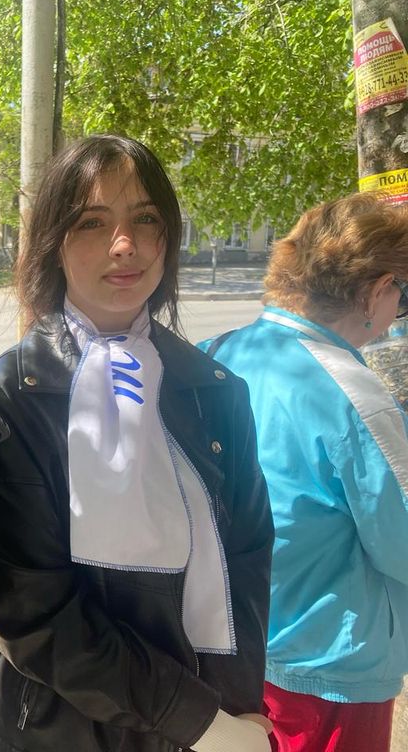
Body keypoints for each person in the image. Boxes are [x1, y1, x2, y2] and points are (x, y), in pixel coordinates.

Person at [0, 134, 275, 752]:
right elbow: (34, 616)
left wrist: (239, 711)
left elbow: (245, 561)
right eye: (92, 222)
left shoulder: (215, 391)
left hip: (200, 728)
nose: (124, 244)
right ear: (54, 242)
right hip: (52, 732)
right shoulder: (9, 400)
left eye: (146, 219)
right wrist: (204, 724)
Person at [200, 192, 408, 752]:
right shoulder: (357, 398)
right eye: (402, 293)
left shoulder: (213, 355)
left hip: (229, 650)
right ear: (375, 291)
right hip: (328, 675)